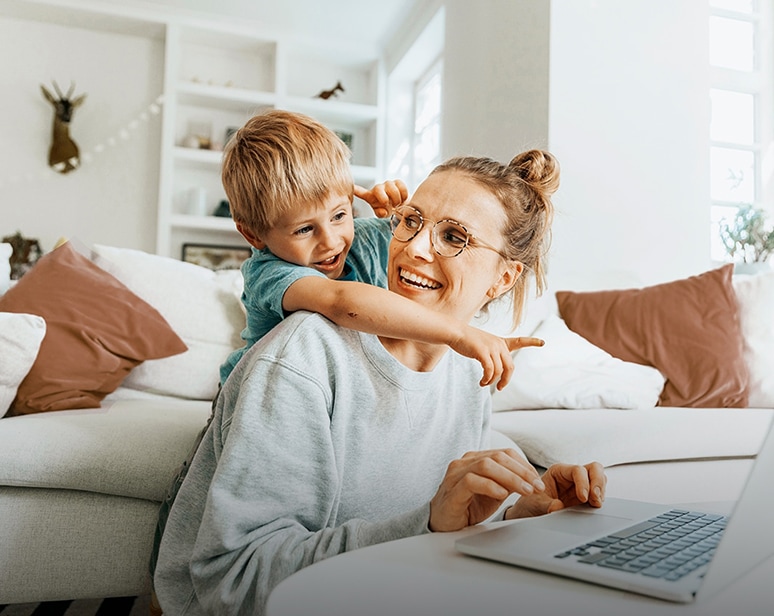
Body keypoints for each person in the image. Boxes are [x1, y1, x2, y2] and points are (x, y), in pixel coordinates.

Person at [153, 149, 606, 616]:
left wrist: (515, 519)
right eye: (411, 221)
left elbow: (437, 533)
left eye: (453, 236)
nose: (414, 248)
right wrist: (427, 525)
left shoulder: (469, 371)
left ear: (503, 278)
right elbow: (232, 582)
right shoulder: (303, 356)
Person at [219, 109, 540, 391]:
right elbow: (341, 302)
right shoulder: (269, 271)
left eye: (339, 215)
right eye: (304, 229)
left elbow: (420, 236)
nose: (331, 241)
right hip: (262, 395)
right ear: (253, 234)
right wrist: (458, 333)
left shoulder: (365, 238)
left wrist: (398, 212)